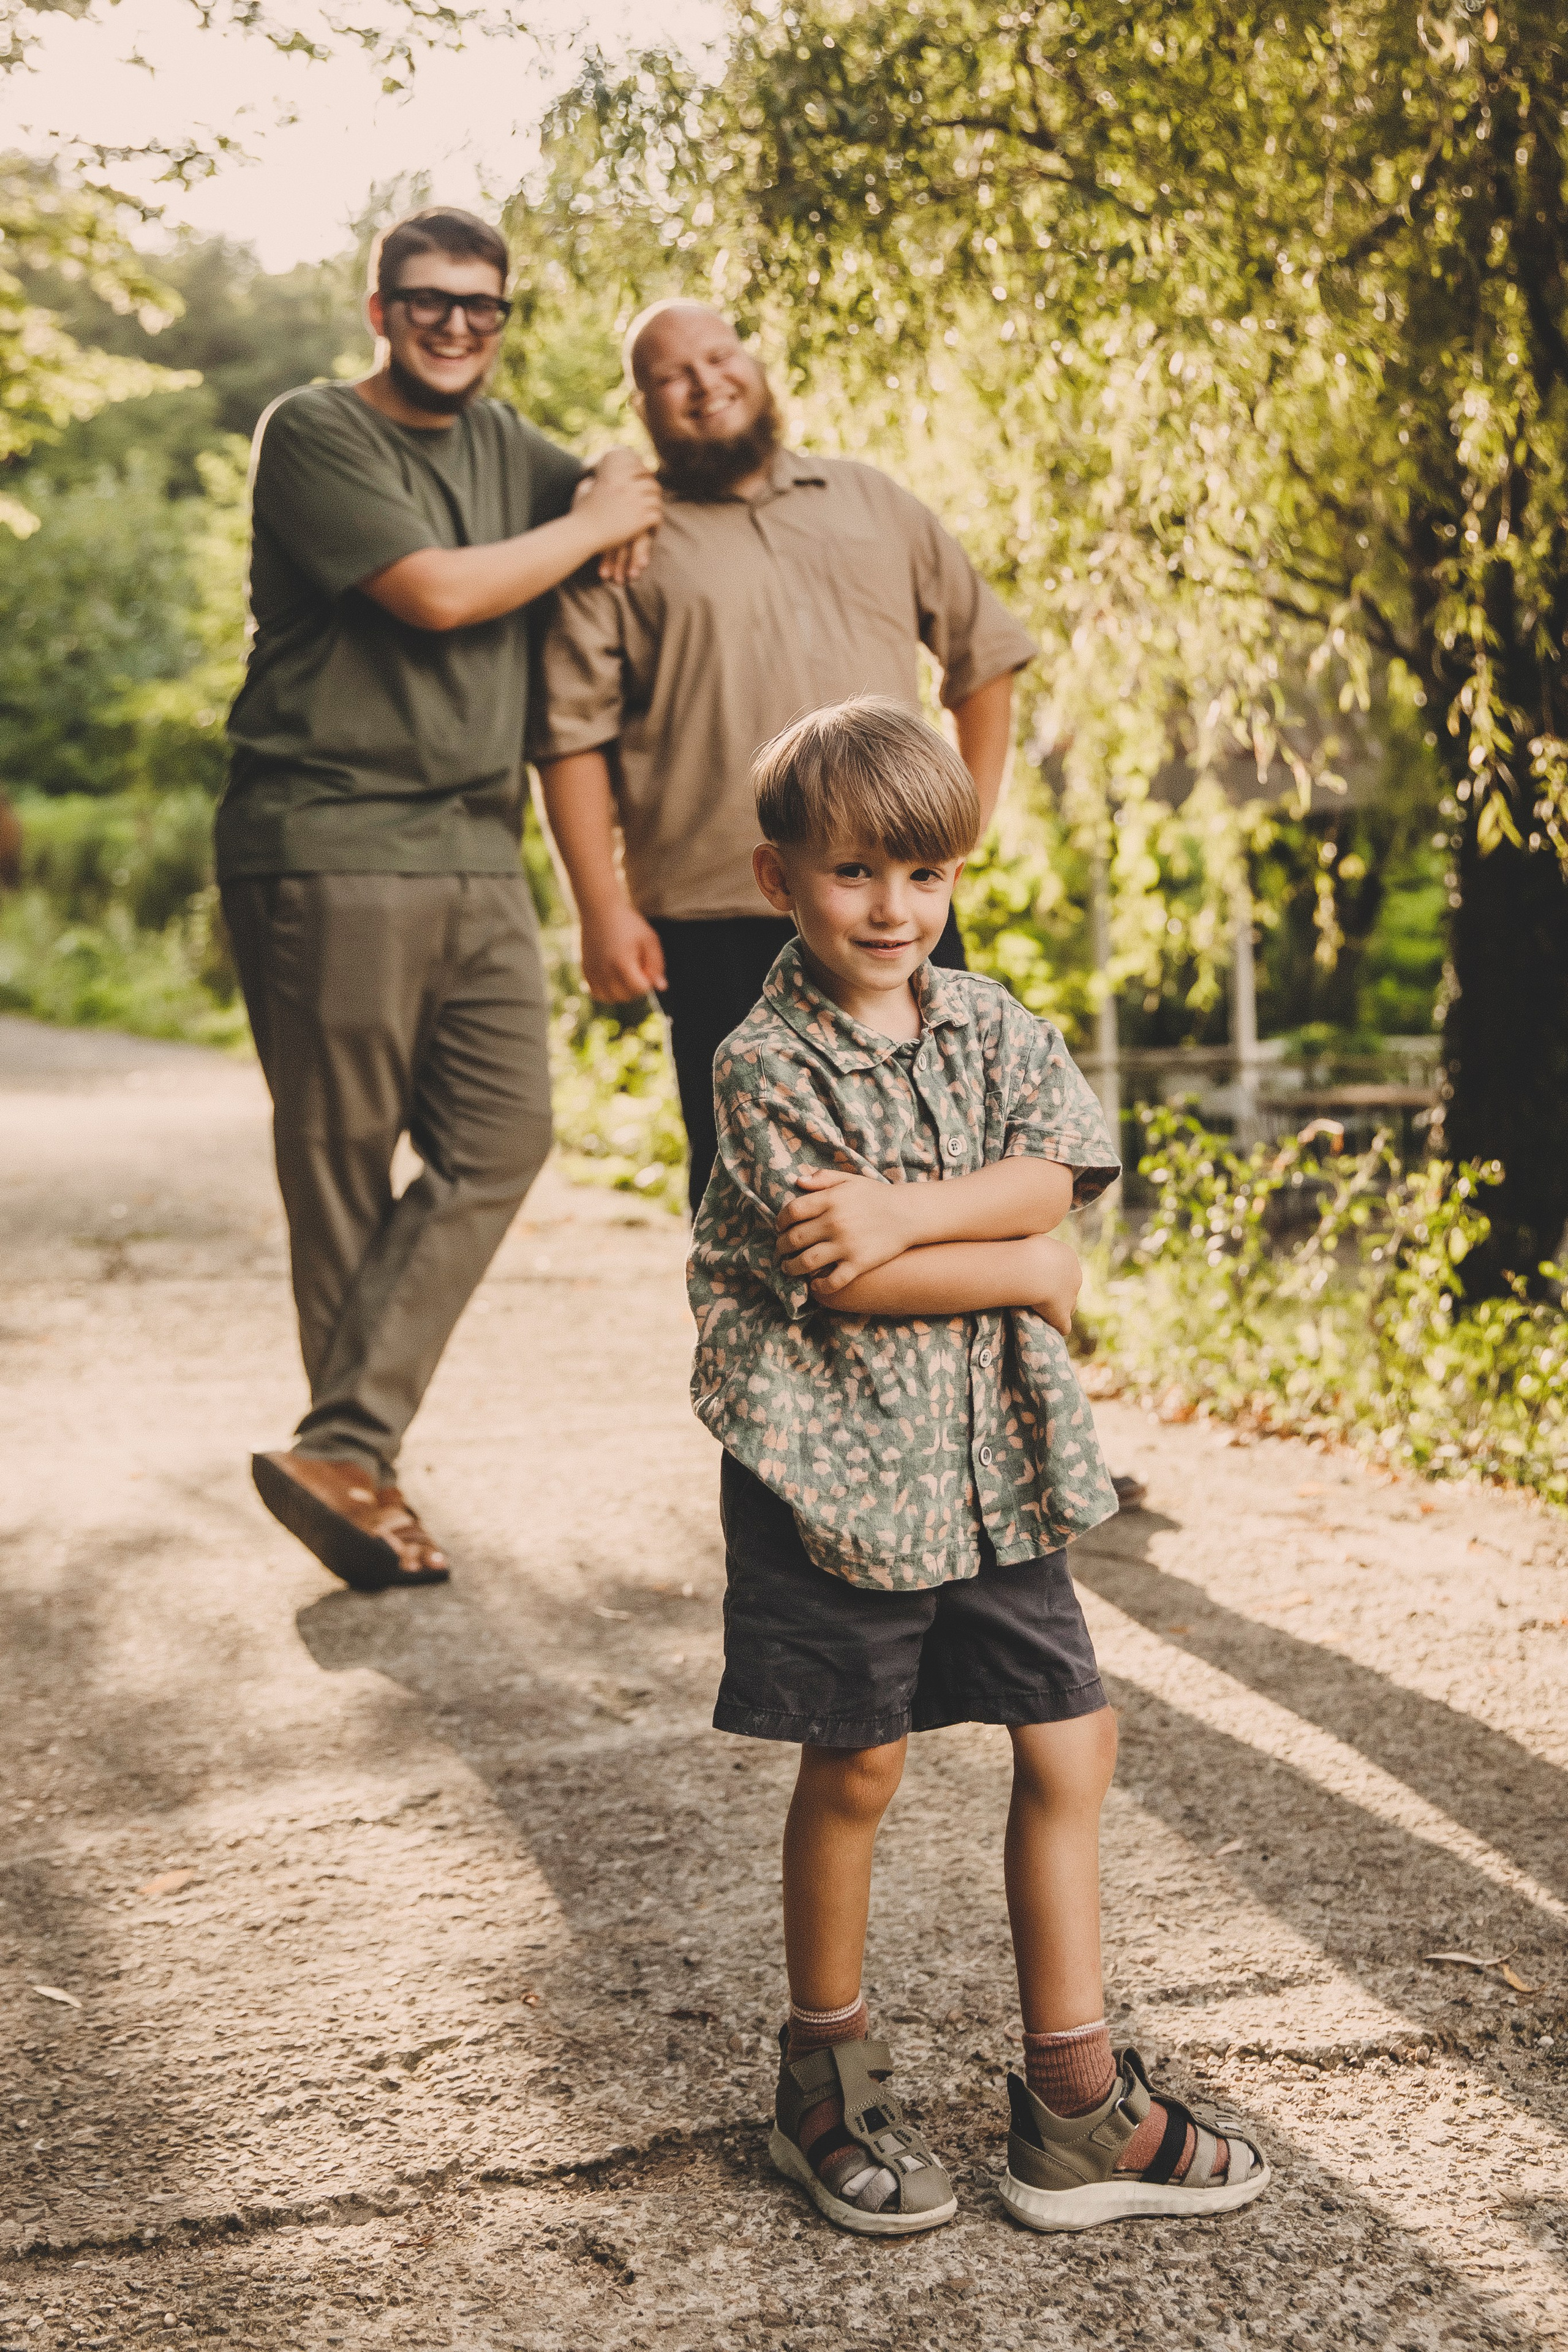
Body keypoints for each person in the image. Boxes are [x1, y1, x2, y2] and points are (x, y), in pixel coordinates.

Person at [686, 698, 1267, 2237]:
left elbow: (1054, 1178)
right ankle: (823, 2078)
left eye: (925, 875)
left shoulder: (996, 1023)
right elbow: (854, 1281)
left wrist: (915, 1216)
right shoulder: (761, 1065)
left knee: (1071, 1743)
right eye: (855, 874)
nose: (893, 909)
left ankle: (1072, 2107)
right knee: (859, 1761)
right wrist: (1021, 1265)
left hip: (990, 1460)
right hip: (830, 1468)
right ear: (778, 879)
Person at [535, 298, 1147, 1513]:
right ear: (643, 407)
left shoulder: (876, 503)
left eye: (719, 359)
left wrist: (953, 832)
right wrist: (599, 908)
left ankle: (1033, 1434)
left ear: (758, 364)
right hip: (715, 916)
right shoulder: (626, 542)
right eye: (669, 378)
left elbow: (985, 655)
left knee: (953, 1177)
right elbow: (571, 735)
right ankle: (798, 1461)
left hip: (896, 914)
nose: (703, 386)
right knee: (774, 1213)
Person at [216, 205, 662, 1593]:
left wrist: (611, 467)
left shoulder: (503, 443)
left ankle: (341, 1444)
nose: (456, 324)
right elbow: (437, 595)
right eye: (428, 300)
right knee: (339, 1165)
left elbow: (604, 472)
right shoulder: (316, 430)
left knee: (506, 1134)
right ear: (378, 308)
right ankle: (361, 1473)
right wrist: (592, 517)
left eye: (482, 305)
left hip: (476, 847)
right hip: (326, 836)